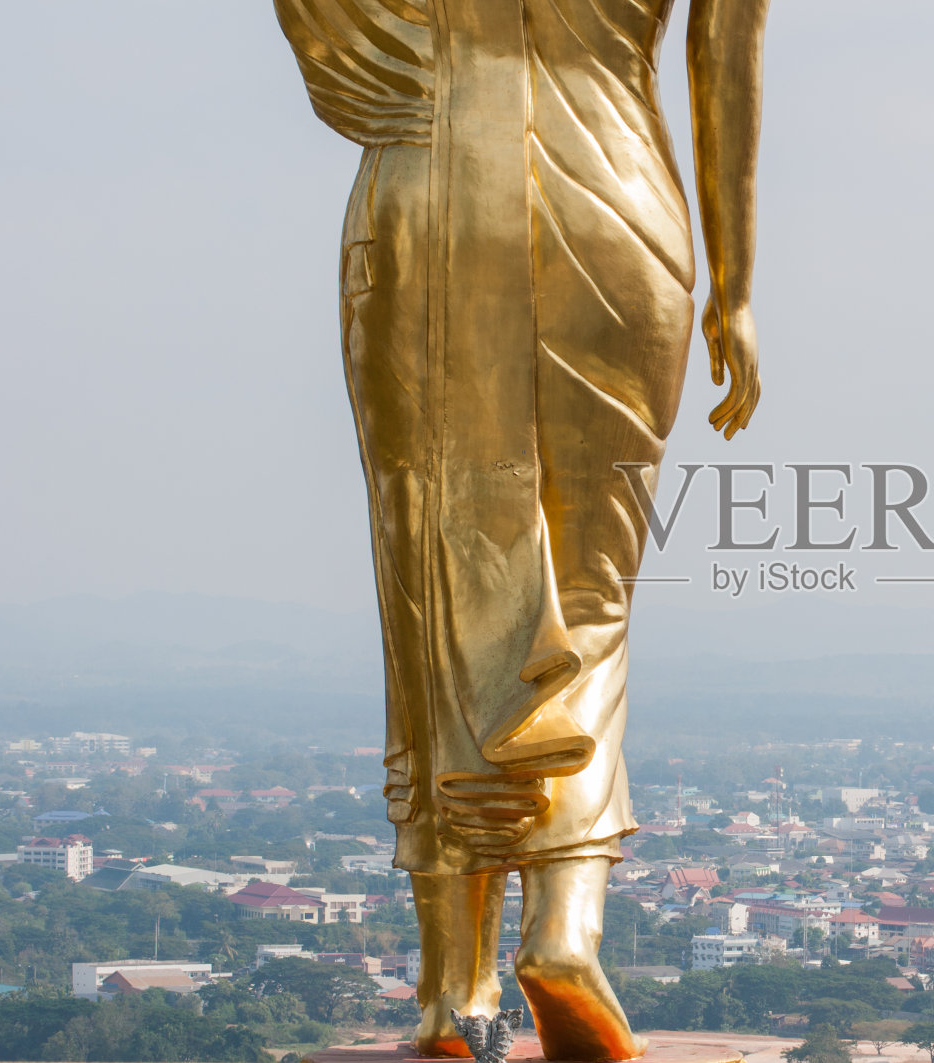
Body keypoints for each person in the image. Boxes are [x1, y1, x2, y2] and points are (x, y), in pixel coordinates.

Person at [271, 0, 769, 1057]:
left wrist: (373, 62)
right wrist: (735, 287)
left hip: (429, 179)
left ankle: (452, 986)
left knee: (436, 585)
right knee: (590, 599)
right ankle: (564, 929)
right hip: (618, 205)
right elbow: (726, 52)